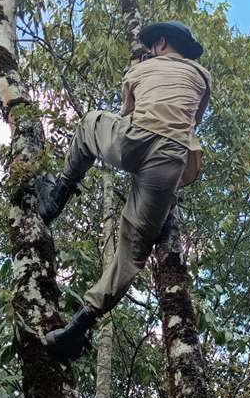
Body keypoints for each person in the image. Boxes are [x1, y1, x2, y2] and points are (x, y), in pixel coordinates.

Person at [37, 20, 211, 361]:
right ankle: (78, 327)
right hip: (170, 158)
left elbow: (128, 114)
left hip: (134, 141)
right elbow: (193, 120)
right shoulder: (202, 77)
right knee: (132, 253)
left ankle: (57, 196)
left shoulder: (137, 71)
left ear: (160, 43)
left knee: (90, 124)